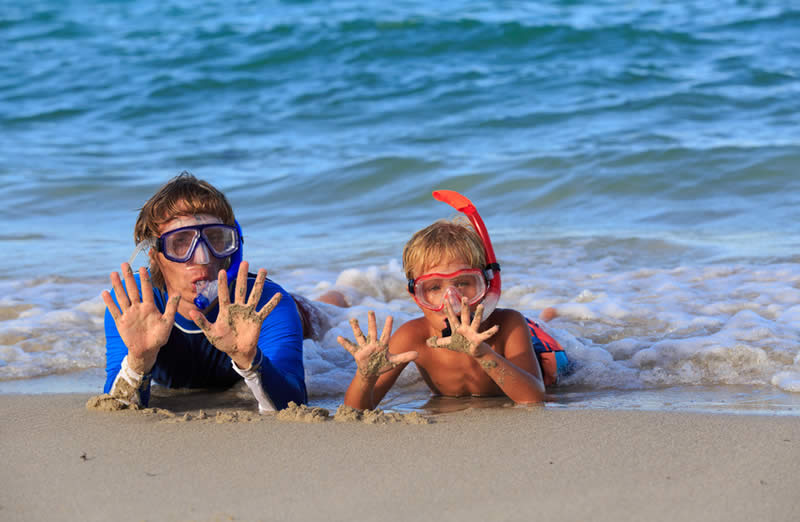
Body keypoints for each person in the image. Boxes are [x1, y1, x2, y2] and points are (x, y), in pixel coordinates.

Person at [102, 172, 340, 412]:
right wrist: (138, 361)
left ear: (232, 250)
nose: (203, 257)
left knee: (334, 305)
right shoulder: (135, 307)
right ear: (155, 256)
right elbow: (117, 406)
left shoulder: (265, 304)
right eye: (181, 242)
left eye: (216, 239)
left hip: (303, 316)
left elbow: (294, 404)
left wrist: (250, 360)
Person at [338, 190, 569, 410]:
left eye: (463, 284)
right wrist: (365, 377)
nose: (451, 301)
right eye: (435, 287)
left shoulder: (508, 325)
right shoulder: (412, 337)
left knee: (555, 358)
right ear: (416, 296)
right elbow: (355, 410)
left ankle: (549, 316)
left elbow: (533, 399)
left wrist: (484, 353)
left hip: (541, 351)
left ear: (486, 286)